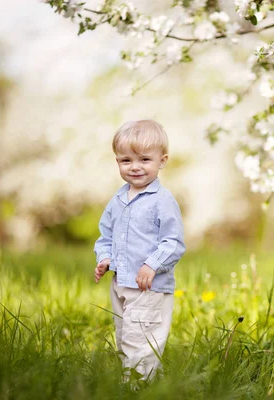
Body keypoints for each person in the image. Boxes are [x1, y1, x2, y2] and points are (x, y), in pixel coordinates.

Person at [93, 119, 186, 379]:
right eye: (126, 160)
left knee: (141, 338)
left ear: (162, 160)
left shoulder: (162, 200)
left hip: (149, 286)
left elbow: (174, 242)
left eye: (144, 159)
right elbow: (106, 235)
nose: (135, 167)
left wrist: (152, 264)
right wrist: (105, 258)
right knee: (125, 336)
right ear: (117, 162)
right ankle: (147, 381)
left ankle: (137, 387)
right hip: (121, 282)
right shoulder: (118, 198)